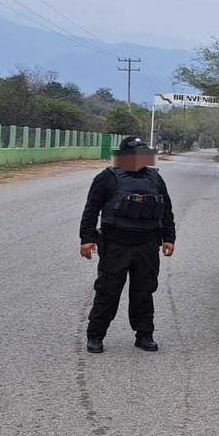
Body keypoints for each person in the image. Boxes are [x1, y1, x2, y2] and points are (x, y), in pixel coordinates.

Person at [79, 136, 176, 352]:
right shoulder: (107, 177)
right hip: (115, 245)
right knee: (107, 292)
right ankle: (95, 335)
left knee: (144, 293)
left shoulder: (155, 179)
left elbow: (166, 209)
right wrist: (86, 239)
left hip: (147, 245)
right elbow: (92, 209)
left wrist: (169, 238)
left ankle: (144, 335)